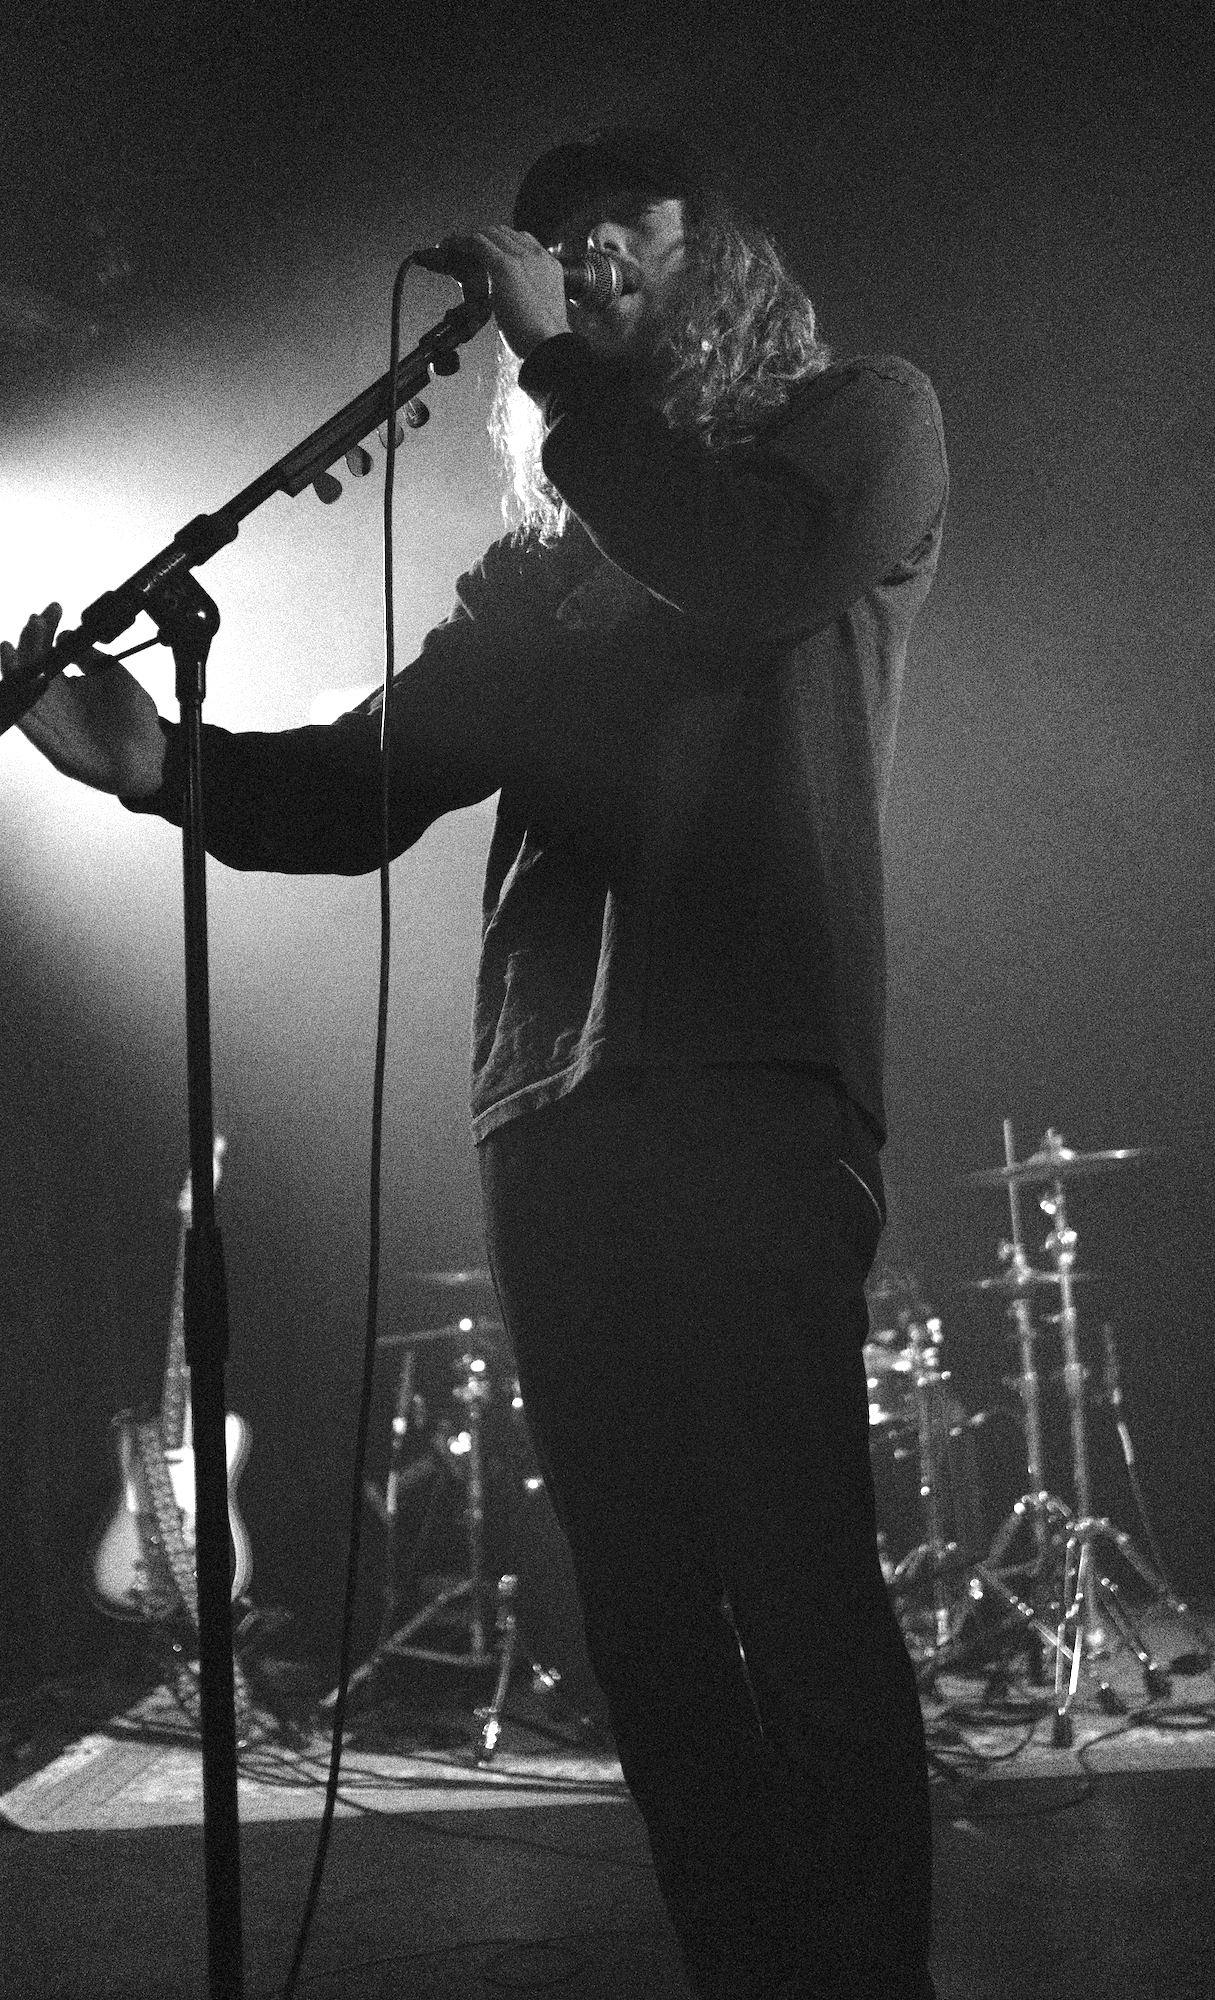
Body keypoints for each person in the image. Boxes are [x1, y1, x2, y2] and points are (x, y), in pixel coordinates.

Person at [3, 128, 948, 1999]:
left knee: (792, 1578)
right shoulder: (547, 565)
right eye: (555, 240)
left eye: (618, 227)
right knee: (643, 1611)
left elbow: (748, 572)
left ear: (709, 242)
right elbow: (374, 778)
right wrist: (160, 770)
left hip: (746, 1070)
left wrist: (562, 374)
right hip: (550, 1105)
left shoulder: (858, 423)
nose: (580, 258)